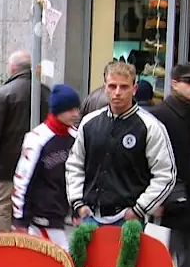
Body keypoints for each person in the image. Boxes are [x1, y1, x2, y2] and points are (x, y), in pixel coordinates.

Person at [66, 61, 176, 226]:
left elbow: (166, 175)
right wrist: (78, 203)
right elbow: (75, 164)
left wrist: (140, 209)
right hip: (89, 217)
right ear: (105, 87)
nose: (117, 92)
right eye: (112, 86)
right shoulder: (89, 123)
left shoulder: (151, 127)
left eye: (124, 87)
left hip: (128, 220)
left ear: (134, 89)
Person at [148, 63, 190, 267]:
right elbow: (148, 162)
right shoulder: (159, 117)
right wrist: (155, 199)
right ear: (174, 83)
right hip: (167, 204)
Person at [0, 50, 50, 234]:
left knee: (4, 208)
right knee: (32, 208)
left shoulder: (4, 93)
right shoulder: (45, 92)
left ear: (12, 68)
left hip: (8, 163)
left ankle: (4, 250)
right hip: (39, 162)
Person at [12, 84, 80, 249]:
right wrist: (20, 220)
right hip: (40, 218)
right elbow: (22, 181)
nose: (76, 114)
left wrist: (77, 210)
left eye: (77, 109)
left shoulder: (75, 137)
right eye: (70, 109)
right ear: (58, 110)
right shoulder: (37, 139)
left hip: (61, 215)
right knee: (62, 263)